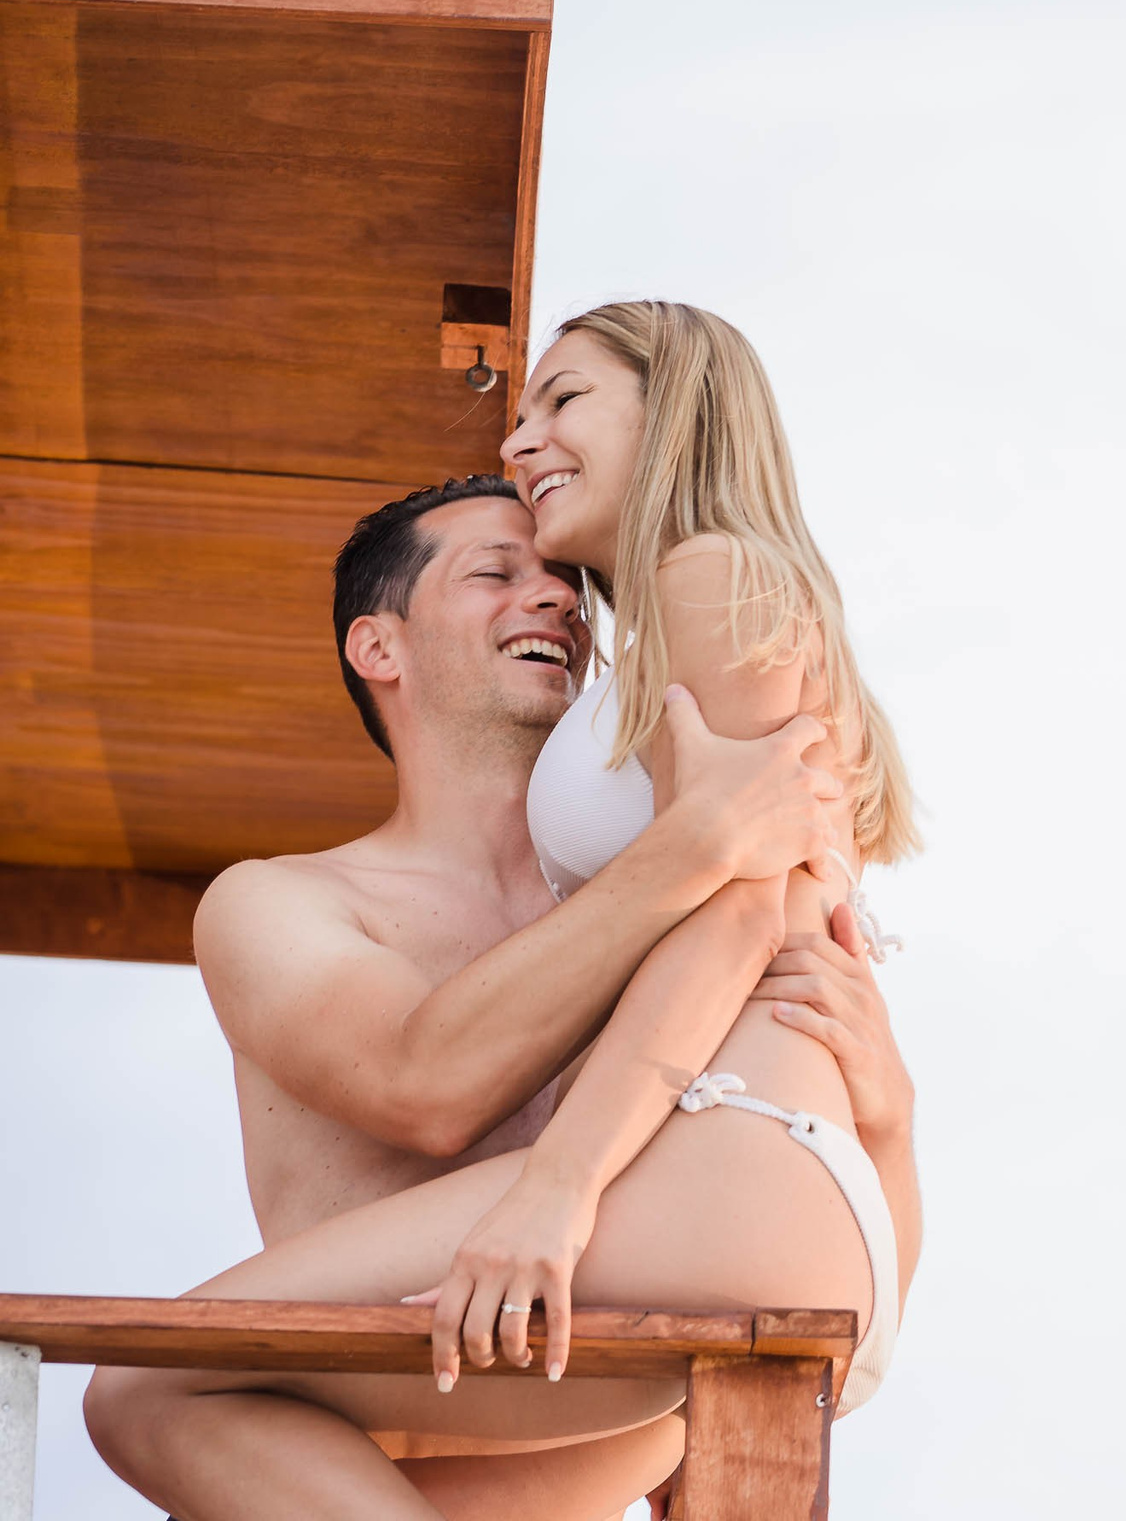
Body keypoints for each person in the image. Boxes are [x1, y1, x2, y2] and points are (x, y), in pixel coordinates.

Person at [86, 303, 924, 1521]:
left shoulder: (704, 609)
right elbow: (427, 1082)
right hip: (503, 1342)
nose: (556, 597)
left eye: (564, 580)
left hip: (639, 1279)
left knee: (147, 1390)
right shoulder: (278, 902)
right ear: (378, 647)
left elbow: (744, 941)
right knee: (194, 1408)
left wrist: (890, 1109)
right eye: (496, 572)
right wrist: (694, 847)